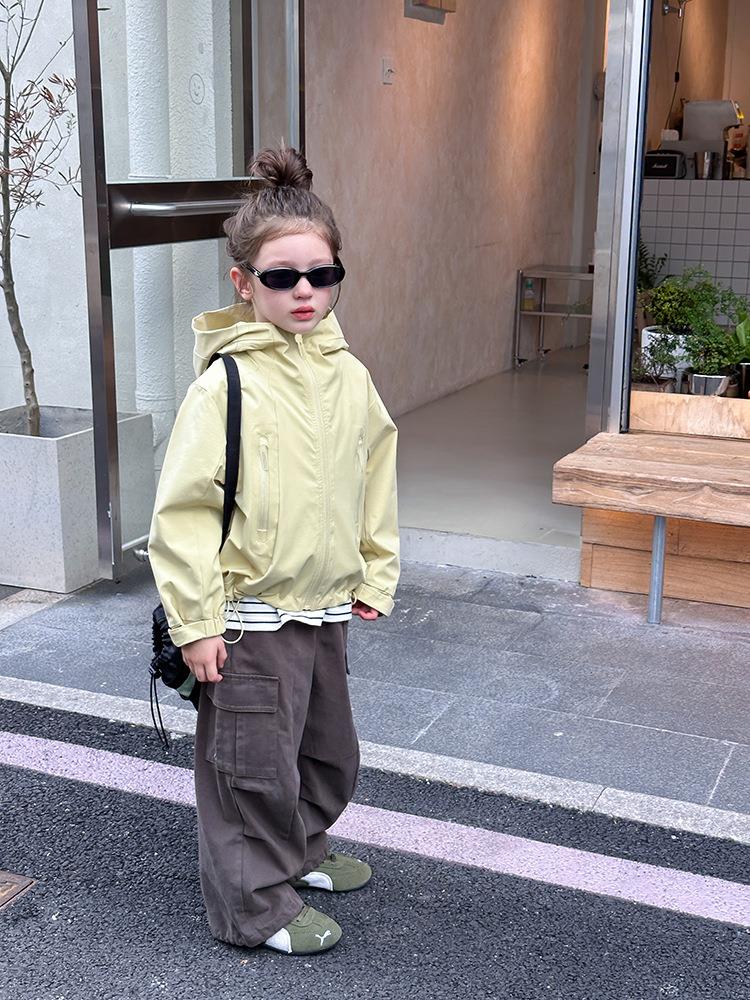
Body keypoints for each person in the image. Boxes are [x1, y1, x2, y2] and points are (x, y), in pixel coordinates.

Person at [147, 146, 400, 956]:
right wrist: (195, 623)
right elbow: (183, 516)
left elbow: (374, 475)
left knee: (324, 754)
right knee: (249, 768)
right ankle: (253, 909)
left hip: (323, 611)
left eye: (321, 276)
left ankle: (299, 852)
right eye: (282, 276)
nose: (303, 292)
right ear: (243, 282)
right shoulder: (224, 386)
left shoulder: (348, 375)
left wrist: (375, 570)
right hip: (248, 620)